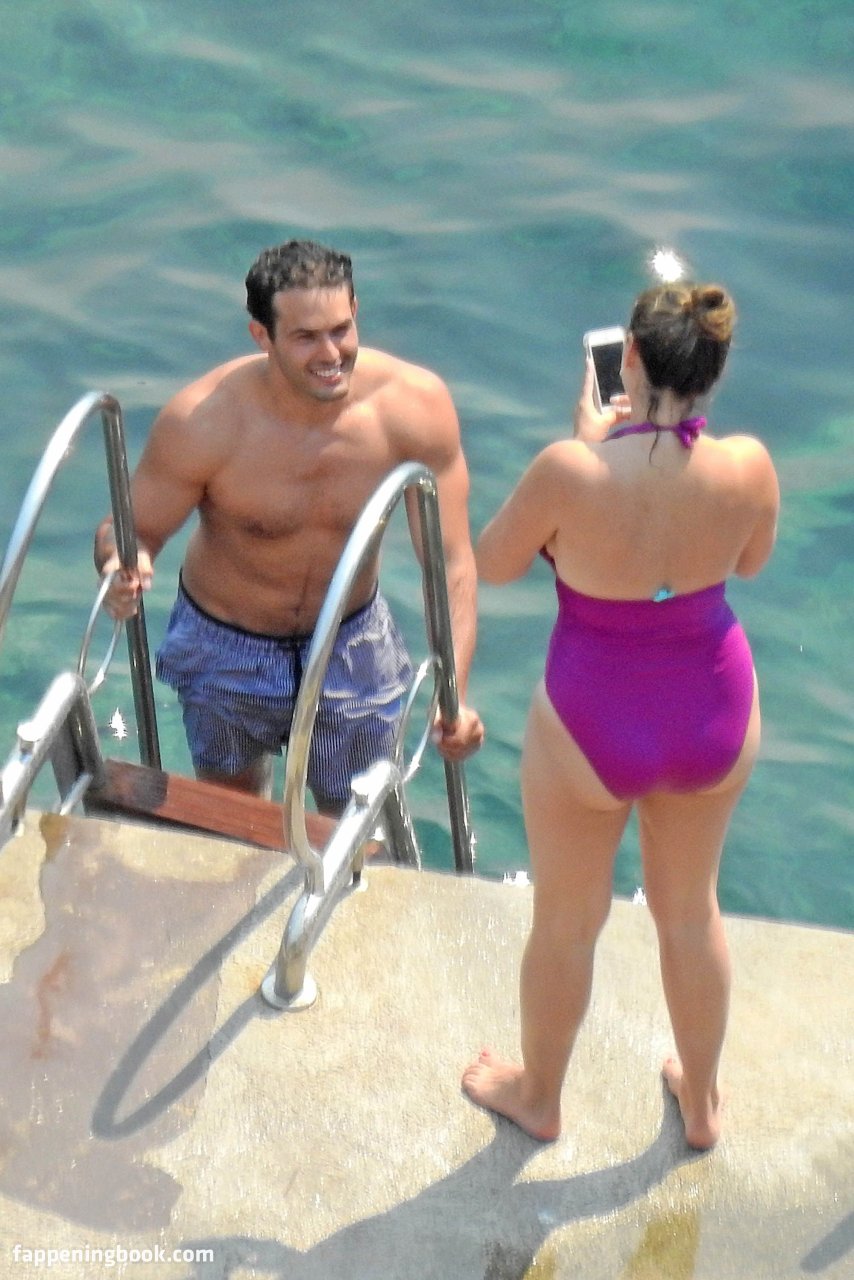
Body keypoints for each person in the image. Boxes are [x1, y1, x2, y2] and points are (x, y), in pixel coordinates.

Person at [462, 281, 779, 1150]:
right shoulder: (749, 466)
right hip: (713, 707)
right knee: (691, 912)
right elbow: (751, 562)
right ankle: (702, 1105)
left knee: (568, 922)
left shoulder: (572, 470)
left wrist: (586, 449)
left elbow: (492, 562)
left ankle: (540, 1098)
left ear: (627, 358)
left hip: (591, 718)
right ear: (714, 371)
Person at [95, 239, 484, 814]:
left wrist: (455, 694)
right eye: (305, 337)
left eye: (341, 329)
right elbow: (130, 529)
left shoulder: (413, 407)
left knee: (354, 824)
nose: (331, 354)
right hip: (226, 646)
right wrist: (122, 566)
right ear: (262, 336)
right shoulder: (205, 420)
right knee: (234, 818)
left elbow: (449, 562)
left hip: (351, 641)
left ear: (357, 312)